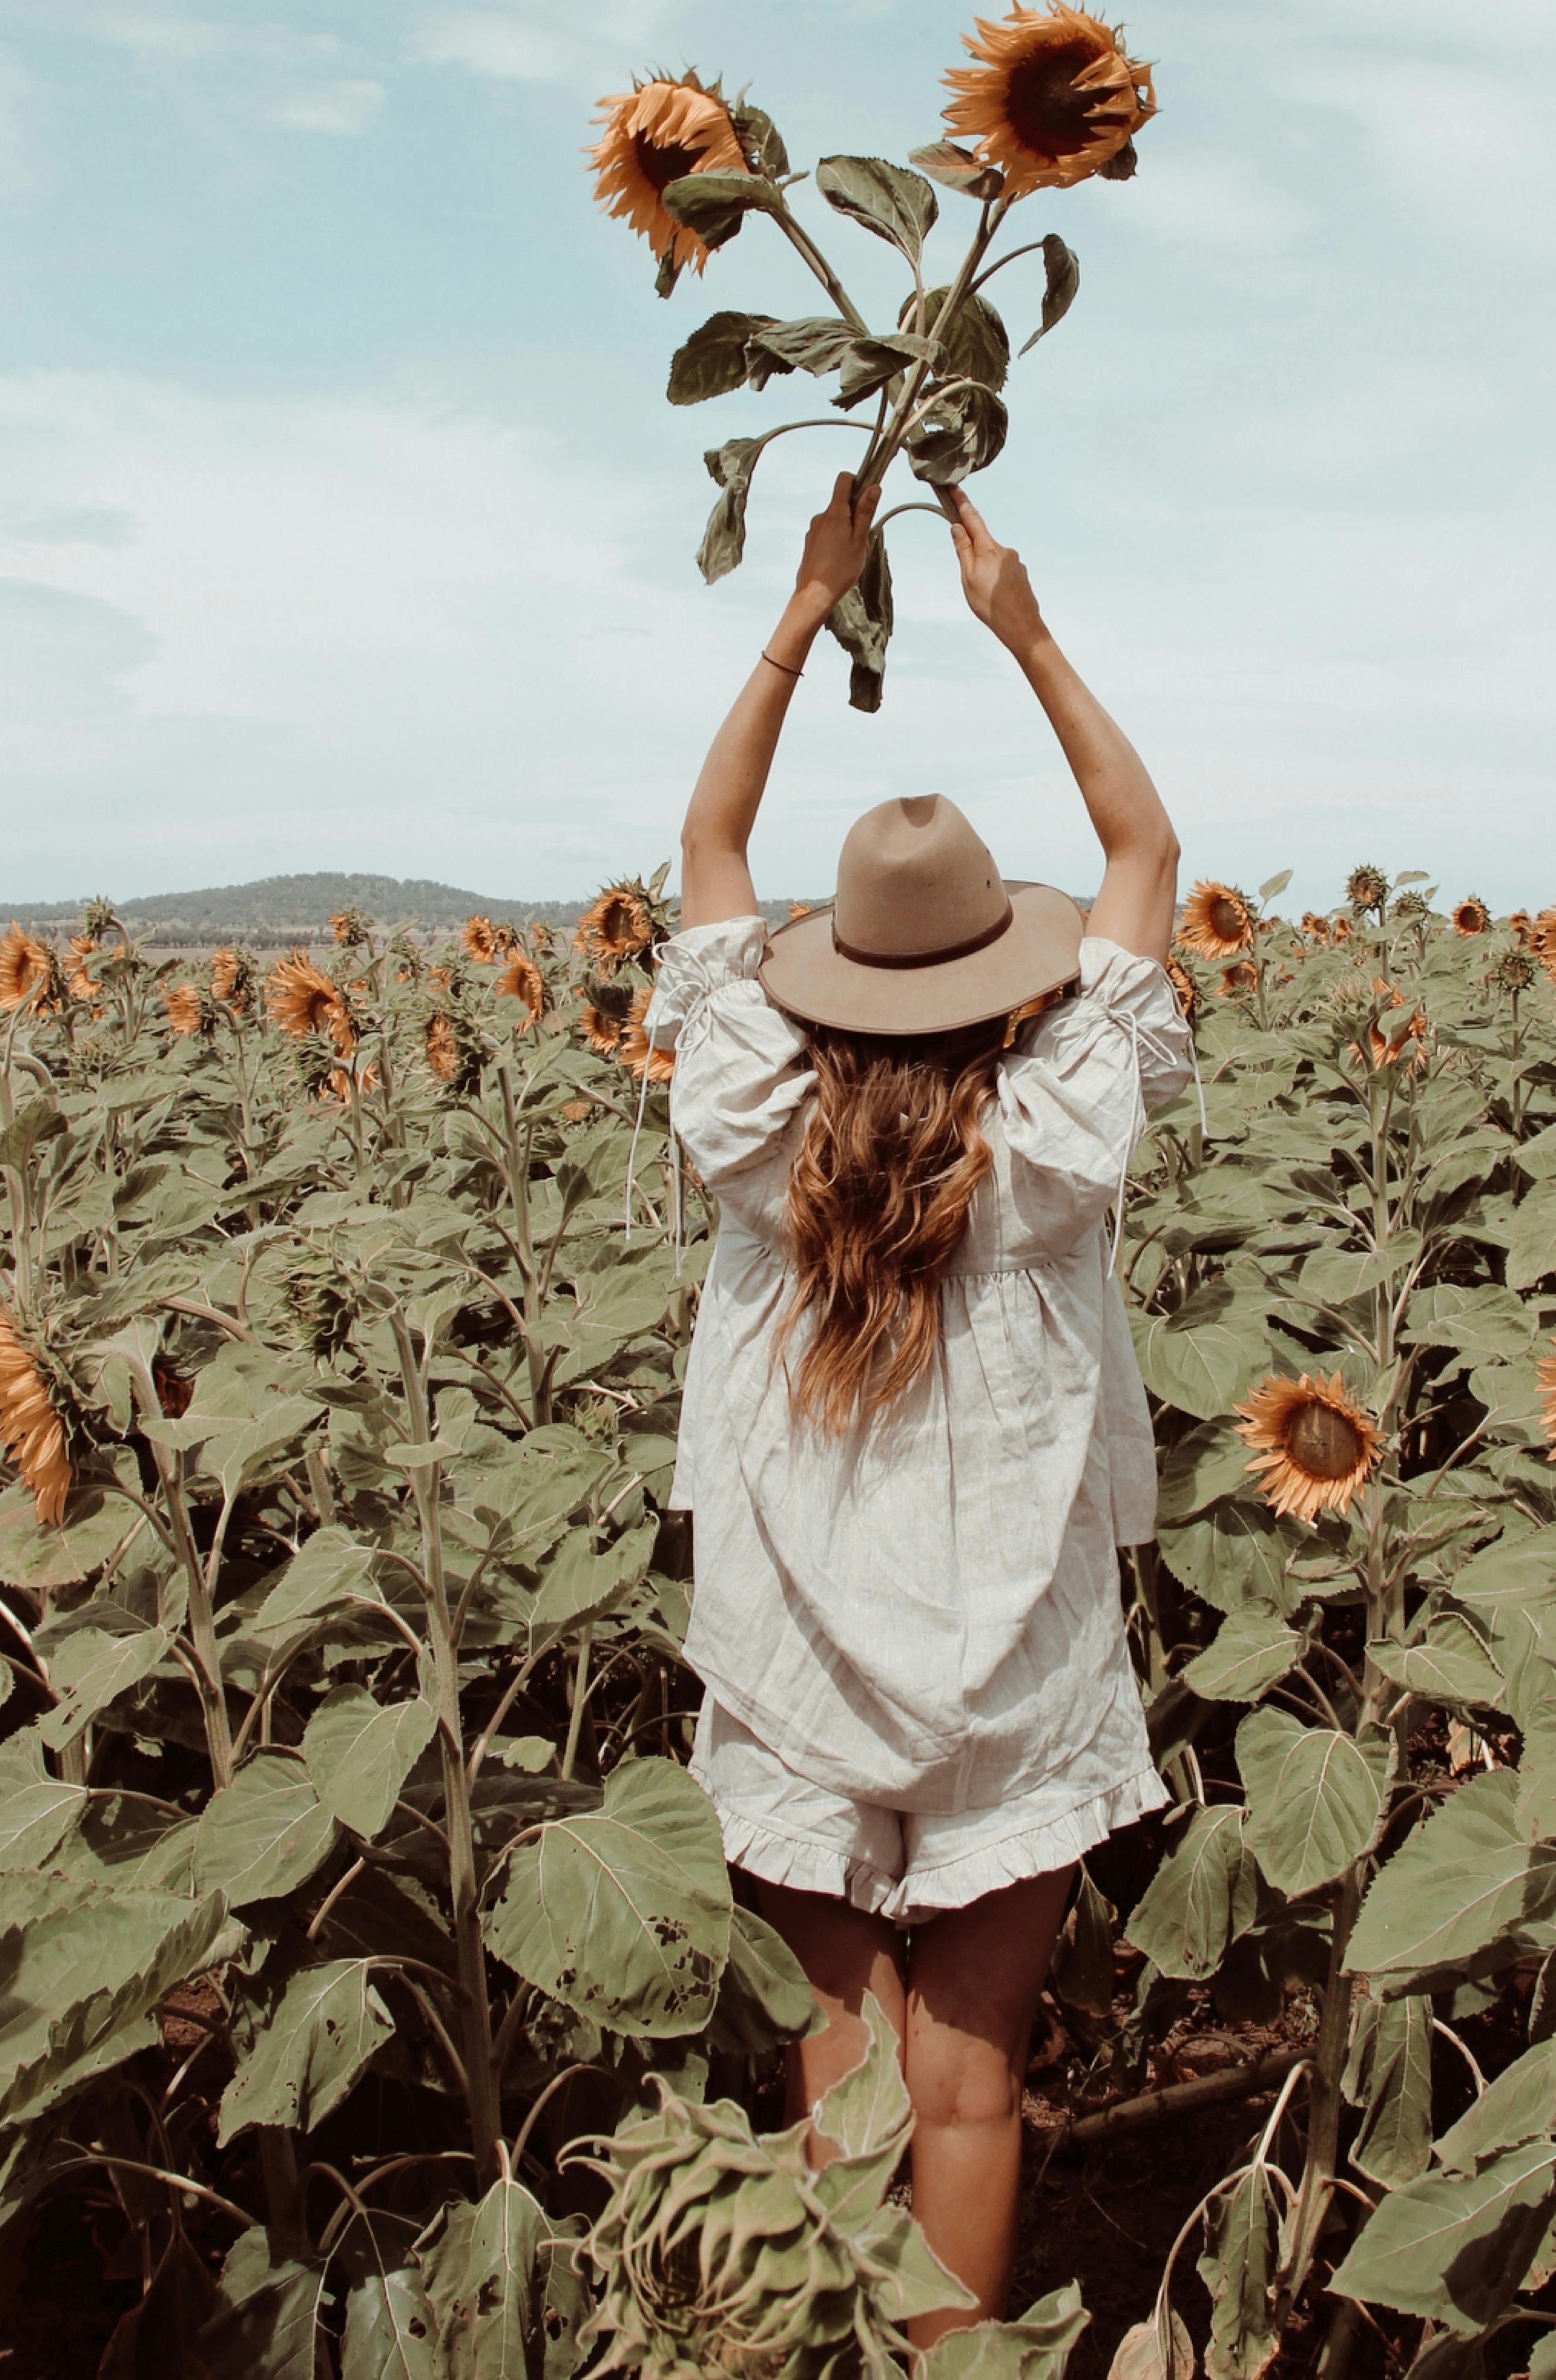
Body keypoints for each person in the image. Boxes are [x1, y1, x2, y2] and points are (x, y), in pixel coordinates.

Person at [643, 470, 1191, 2342]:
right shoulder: (1046, 1153)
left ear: (828, 984)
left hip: (795, 1662)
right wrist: (1021, 626)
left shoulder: (745, 1135)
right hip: (1010, 1675)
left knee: (842, 2060)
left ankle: (832, 2340)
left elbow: (709, 846)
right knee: (968, 2076)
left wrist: (806, 606)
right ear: (996, 984)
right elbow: (1143, 851)